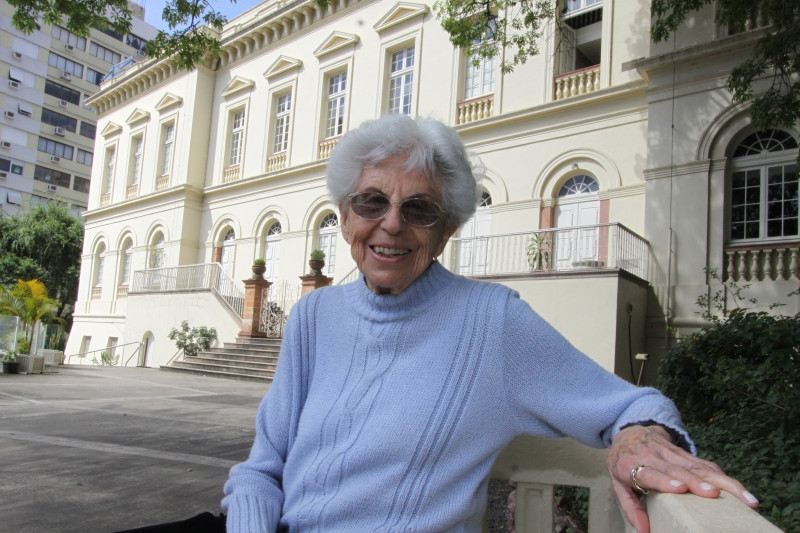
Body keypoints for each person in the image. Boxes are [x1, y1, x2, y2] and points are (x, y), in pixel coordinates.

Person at [219, 114, 759, 532]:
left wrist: (639, 441)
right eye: (372, 201)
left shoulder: (490, 322)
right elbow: (262, 469)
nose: (391, 224)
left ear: (447, 230)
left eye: (419, 209)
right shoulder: (316, 315)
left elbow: (631, 405)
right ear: (344, 216)